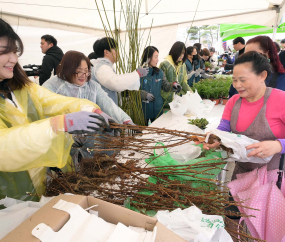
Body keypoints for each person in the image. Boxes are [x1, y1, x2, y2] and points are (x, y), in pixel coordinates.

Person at [0, 19, 121, 201]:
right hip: (6, 196)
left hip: (37, 185)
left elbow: (54, 102)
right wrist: (58, 124)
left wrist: (91, 110)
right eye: (4, 52)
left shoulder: (21, 87)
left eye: (15, 52)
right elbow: (5, 147)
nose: (14, 59)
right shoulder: (53, 84)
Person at [204, 51, 285, 241]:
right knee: (232, 223)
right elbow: (223, 129)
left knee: (267, 230)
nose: (237, 85)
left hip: (273, 179)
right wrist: (215, 140)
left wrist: (277, 146)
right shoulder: (234, 102)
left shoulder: (281, 100)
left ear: (263, 76)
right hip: (241, 176)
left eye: (243, 80)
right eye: (234, 80)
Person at [43, 50, 135, 161]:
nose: (84, 75)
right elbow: (48, 109)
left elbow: (108, 103)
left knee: (91, 165)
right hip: (61, 141)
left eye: (86, 71)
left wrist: (125, 120)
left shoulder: (92, 86)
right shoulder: (53, 86)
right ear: (67, 69)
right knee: (67, 169)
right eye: (78, 71)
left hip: (90, 139)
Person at [90, 37, 148, 105]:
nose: (118, 52)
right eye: (115, 49)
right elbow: (115, 83)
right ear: (106, 52)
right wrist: (137, 73)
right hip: (103, 112)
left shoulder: (106, 66)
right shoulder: (102, 67)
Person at [139, 46, 181, 124]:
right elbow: (133, 91)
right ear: (148, 58)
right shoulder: (139, 72)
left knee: (157, 132)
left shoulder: (159, 72)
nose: (157, 60)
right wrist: (143, 94)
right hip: (143, 109)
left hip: (157, 109)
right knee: (142, 133)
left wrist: (173, 85)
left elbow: (165, 85)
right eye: (155, 57)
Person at [159, 41, 193, 106]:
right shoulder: (165, 64)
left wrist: (191, 93)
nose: (181, 56)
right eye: (180, 53)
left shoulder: (182, 65)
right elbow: (162, 84)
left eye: (183, 53)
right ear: (174, 51)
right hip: (165, 100)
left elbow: (183, 82)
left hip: (177, 100)